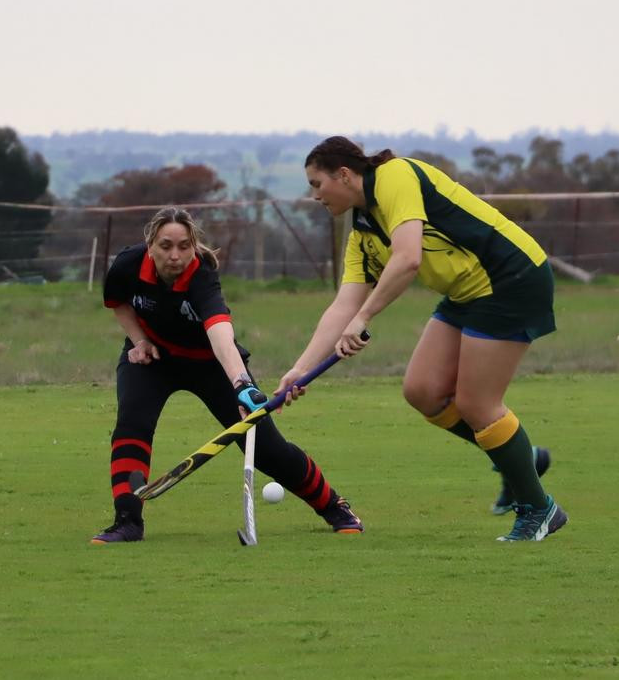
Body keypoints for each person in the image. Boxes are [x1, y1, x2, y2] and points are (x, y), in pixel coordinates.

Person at [275, 136, 567, 542]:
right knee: (423, 391)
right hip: (468, 291)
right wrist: (300, 370)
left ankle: (539, 509)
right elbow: (343, 305)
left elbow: (409, 257)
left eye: (316, 184)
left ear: (344, 175)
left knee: (476, 404)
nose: (314, 195)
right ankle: (518, 458)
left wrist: (364, 317)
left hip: (511, 277)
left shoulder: (395, 177)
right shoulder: (361, 231)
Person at [91, 206, 363, 544]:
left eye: (184, 246)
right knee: (132, 425)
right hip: (154, 359)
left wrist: (242, 385)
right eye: (165, 246)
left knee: (267, 449)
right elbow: (118, 302)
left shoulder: (201, 274)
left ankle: (334, 506)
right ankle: (127, 522)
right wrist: (140, 341)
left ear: (193, 246)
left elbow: (220, 332)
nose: (175, 256)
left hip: (211, 364)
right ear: (150, 245)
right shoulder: (128, 264)